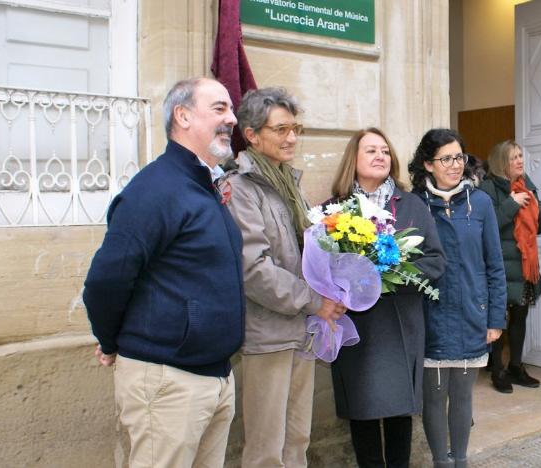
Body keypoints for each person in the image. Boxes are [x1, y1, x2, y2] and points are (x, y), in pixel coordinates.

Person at [83, 77, 244, 467]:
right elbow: (106, 280)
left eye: (231, 109)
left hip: (215, 376)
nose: (233, 119)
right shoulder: (156, 188)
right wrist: (110, 341)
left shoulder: (203, 185)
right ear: (183, 116)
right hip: (167, 380)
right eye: (220, 108)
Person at [220, 88, 346, 467]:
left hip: (303, 328)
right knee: (266, 449)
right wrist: (315, 301)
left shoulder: (287, 183)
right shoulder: (240, 188)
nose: (291, 138)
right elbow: (253, 270)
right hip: (268, 335)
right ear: (252, 134)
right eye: (281, 129)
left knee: (297, 440)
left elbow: (304, 252)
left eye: (295, 128)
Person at [328, 128, 446, 468]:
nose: (381, 156)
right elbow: (320, 267)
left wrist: (394, 272)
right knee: (362, 411)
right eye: (371, 151)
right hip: (356, 326)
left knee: (398, 412)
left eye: (385, 151)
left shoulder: (412, 205)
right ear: (354, 159)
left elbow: (436, 261)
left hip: (401, 324)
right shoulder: (333, 210)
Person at [409, 128, 507, 468]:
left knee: (463, 396)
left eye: (459, 157)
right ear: (428, 164)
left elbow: (494, 264)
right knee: (434, 397)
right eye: (446, 158)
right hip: (429, 313)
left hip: (471, 312)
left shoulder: (479, 202)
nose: (454, 165)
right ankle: (441, 461)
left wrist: (496, 318)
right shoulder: (414, 204)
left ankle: (461, 461)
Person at [479, 140, 541, 393]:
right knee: (498, 319)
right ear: (501, 163)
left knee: (520, 316)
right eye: (513, 158)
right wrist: (512, 203)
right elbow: (488, 224)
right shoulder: (487, 188)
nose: (519, 161)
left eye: (520, 156)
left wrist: (534, 204)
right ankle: (497, 370)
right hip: (500, 267)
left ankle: (516, 367)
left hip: (524, 264)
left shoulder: (526, 183)